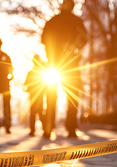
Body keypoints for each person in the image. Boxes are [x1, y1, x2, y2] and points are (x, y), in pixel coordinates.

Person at [41, 0, 87, 138]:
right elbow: (84, 39)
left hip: (58, 65)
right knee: (68, 96)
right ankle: (66, 128)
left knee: (56, 97)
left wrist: (52, 53)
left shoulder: (54, 21)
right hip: (64, 65)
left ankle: (54, 128)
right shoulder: (73, 21)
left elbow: (44, 39)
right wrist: (73, 48)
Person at [23, 55, 48, 137]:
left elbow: (26, 85)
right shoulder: (37, 72)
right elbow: (26, 84)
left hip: (37, 96)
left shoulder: (36, 72)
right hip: (35, 96)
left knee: (37, 113)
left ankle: (38, 130)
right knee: (37, 113)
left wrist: (27, 89)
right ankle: (36, 130)